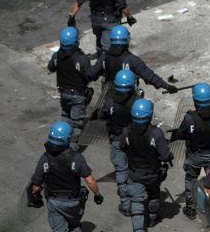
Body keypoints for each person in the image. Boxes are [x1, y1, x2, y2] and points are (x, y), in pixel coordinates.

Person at [27, 122, 104, 232]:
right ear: (67, 139)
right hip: (74, 201)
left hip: (55, 202)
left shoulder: (45, 158)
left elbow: (36, 186)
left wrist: (36, 195)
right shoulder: (76, 158)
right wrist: (97, 195)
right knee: (75, 226)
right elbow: (90, 181)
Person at [170, 83, 210, 220]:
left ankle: (190, 208)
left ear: (196, 101)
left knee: (191, 180)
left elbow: (181, 135)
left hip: (195, 156)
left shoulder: (190, 118)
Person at [120, 98, 173, 230]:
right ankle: (153, 220)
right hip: (153, 174)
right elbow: (165, 156)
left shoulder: (126, 131)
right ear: (149, 116)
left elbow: (122, 147)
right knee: (154, 195)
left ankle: (138, 229)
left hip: (135, 173)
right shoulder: (156, 133)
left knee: (137, 201)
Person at [89, 25, 177, 94]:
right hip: (129, 96)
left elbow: (92, 73)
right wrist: (167, 86)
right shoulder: (132, 60)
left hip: (108, 95)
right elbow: (149, 76)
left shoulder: (104, 57)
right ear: (126, 40)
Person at [47, 27, 95, 149]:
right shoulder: (81, 58)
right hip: (78, 95)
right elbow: (90, 76)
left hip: (64, 94)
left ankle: (61, 141)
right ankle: (72, 149)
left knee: (65, 117)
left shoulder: (57, 55)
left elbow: (51, 68)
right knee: (76, 124)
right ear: (76, 42)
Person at [99, 70, 138, 217]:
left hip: (116, 140)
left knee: (121, 171)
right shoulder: (136, 103)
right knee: (135, 168)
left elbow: (102, 115)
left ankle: (126, 205)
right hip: (134, 141)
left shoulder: (110, 102)